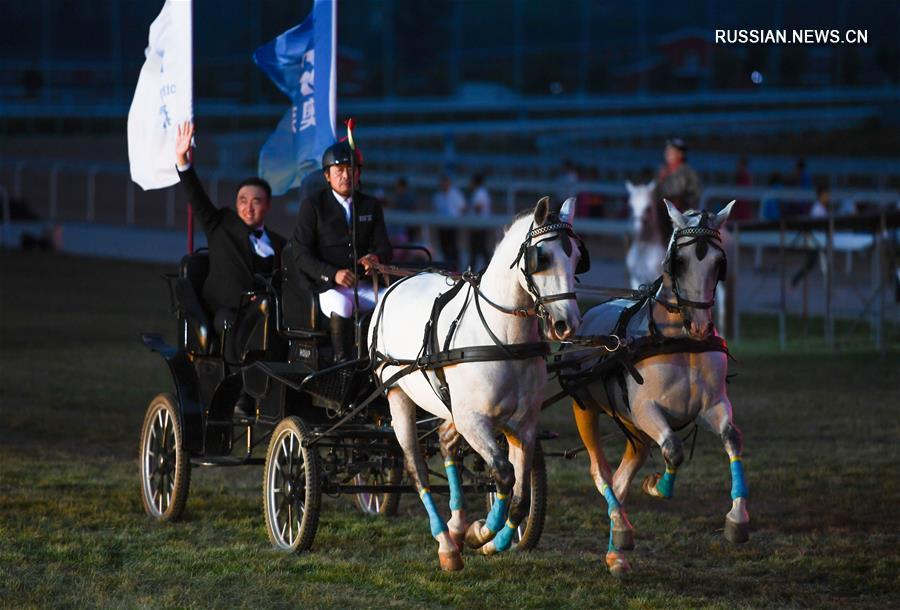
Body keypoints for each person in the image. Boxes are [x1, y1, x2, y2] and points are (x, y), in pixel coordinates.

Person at [174, 121, 286, 416]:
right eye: (243, 201)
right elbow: (196, 199)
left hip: (268, 310)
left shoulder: (279, 243)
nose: (249, 208)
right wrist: (183, 161)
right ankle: (240, 391)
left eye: (256, 202)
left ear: (268, 206)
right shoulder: (221, 225)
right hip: (228, 310)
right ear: (236, 205)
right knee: (239, 324)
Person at [291, 141, 392, 361]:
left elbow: (385, 247)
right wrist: (333, 273)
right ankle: (343, 364)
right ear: (327, 175)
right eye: (339, 171)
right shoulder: (313, 205)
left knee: (393, 300)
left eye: (351, 170)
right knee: (342, 305)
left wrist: (376, 258)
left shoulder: (370, 205)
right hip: (327, 287)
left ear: (358, 174)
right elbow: (300, 253)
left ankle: (388, 361)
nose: (346, 176)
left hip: (363, 285)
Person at [652, 137, 702, 247]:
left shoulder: (688, 172)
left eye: (671, 151)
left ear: (680, 154)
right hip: (662, 212)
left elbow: (695, 194)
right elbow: (654, 192)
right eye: (667, 151)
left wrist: (684, 206)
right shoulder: (662, 171)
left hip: (681, 213)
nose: (667, 154)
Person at [791, 184, 830, 287]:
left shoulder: (822, 208)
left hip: (820, 240)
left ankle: (827, 288)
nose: (827, 197)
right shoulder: (817, 209)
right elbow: (816, 225)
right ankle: (794, 281)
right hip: (814, 240)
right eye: (825, 195)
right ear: (820, 195)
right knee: (810, 264)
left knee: (822, 264)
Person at [432, 174, 466, 267]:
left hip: (453, 225)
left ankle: (455, 267)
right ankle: (446, 267)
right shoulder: (438, 196)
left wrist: (457, 218)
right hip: (442, 226)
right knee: (444, 248)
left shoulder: (456, 194)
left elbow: (463, 207)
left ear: (449, 183)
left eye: (446, 183)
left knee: (453, 248)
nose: (444, 185)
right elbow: (436, 210)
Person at [467, 173, 492, 270]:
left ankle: (474, 270)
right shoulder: (481, 192)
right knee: (479, 251)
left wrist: (469, 210)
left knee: (479, 251)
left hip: (479, 226)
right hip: (478, 226)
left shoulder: (480, 192)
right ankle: (482, 268)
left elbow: (478, 208)